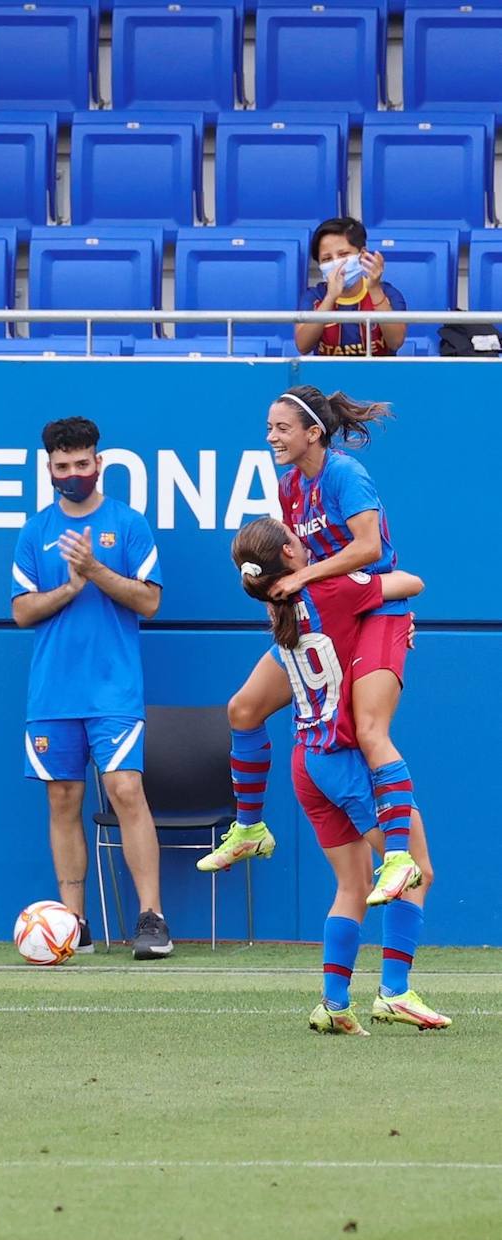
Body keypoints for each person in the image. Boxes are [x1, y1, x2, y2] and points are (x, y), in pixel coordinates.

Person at [199, 386, 421, 908]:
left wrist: (306, 581)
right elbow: (292, 557)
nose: (270, 436)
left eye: (281, 428)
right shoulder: (288, 485)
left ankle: (398, 857)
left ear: (312, 433)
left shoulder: (344, 474)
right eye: (270, 427)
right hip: (328, 606)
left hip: (377, 608)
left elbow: (370, 549)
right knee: (244, 708)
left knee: (369, 730)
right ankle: (250, 827)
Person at [230, 516, 450, 1035]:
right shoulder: (331, 587)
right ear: (290, 553)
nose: (305, 538)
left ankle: (333, 1004)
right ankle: (394, 991)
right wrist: (388, 615)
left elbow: (346, 644)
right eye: (295, 536)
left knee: (351, 884)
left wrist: (386, 631)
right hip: (344, 759)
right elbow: (410, 582)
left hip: (306, 758)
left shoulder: (279, 606)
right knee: (416, 869)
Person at [11, 416, 173, 960]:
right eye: (62, 466)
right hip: (52, 694)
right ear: (49, 468)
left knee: (126, 790)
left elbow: (149, 602)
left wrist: (96, 572)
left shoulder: (128, 524)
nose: (73, 473)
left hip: (113, 692)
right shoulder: (35, 531)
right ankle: (72, 926)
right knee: (63, 799)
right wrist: (70, 586)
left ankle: (151, 918)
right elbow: (21, 611)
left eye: (83, 464)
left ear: (98, 463)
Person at [295, 216, 407, 358]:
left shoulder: (388, 293)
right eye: (327, 259)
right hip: (328, 376)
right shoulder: (314, 297)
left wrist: (374, 289)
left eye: (343, 254)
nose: (337, 263)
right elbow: (302, 347)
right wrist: (330, 297)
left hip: (379, 375)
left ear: (362, 254)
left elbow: (395, 342)